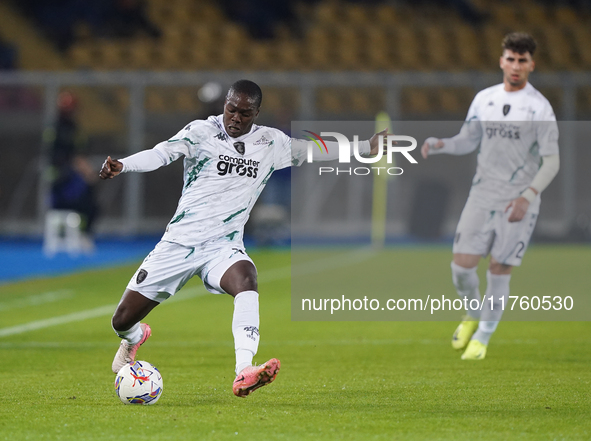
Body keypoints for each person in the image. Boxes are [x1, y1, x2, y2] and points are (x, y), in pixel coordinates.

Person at [100, 79, 386, 396]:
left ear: (256, 113)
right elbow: (160, 154)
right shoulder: (200, 132)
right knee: (121, 320)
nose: (236, 118)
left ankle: (243, 371)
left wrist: (365, 147)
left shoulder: (270, 143)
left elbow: (314, 150)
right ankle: (135, 338)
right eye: (231, 110)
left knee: (247, 279)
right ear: (225, 105)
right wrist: (123, 165)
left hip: (224, 247)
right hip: (179, 243)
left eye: (245, 113)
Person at [420, 32, 560, 360]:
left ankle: (483, 337)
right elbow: (468, 139)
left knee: (499, 268)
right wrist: (443, 144)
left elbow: (552, 161)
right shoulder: (485, 99)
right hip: (482, 194)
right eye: (510, 59)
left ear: (531, 65)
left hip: (517, 200)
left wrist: (527, 196)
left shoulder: (539, 108)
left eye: (522, 61)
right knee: (461, 267)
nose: (515, 66)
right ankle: (472, 313)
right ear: (501, 61)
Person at [49, 91, 99, 246]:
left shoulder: (70, 128)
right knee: (91, 206)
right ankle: (82, 235)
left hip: (67, 182)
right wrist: (83, 169)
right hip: (62, 186)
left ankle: (81, 234)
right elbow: (69, 156)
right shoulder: (60, 129)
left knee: (92, 202)